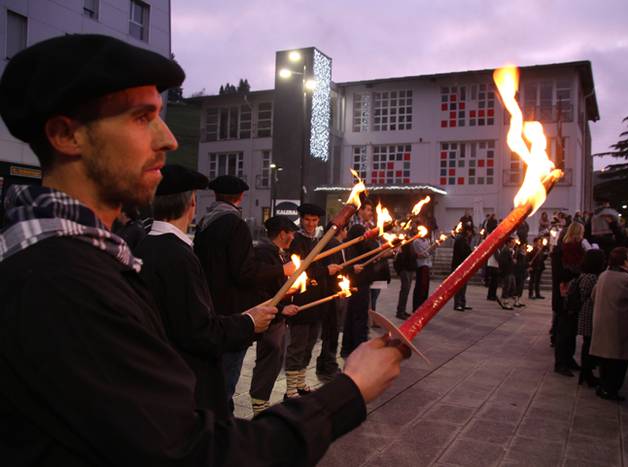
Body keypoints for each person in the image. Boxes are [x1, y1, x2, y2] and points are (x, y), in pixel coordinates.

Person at [0, 34, 403, 465]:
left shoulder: (85, 258)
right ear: (66, 135)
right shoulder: (60, 283)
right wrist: (350, 391)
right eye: (141, 118)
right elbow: (195, 453)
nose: (169, 139)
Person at [136, 164, 282, 419]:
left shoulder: (143, 245)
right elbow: (198, 331)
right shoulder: (178, 256)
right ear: (191, 203)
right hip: (186, 378)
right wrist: (249, 322)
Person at [285, 203, 339, 399]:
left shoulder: (321, 240)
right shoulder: (296, 240)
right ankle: (290, 388)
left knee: (310, 344)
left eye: (314, 220)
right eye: (307, 219)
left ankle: (300, 382)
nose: (310, 224)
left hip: (319, 299)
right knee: (298, 345)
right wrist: (325, 271)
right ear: (301, 220)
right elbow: (300, 268)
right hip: (301, 299)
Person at [249, 215, 300, 415]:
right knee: (269, 356)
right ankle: (259, 402)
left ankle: (262, 400)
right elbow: (260, 289)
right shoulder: (264, 253)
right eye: (291, 233)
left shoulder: (279, 254)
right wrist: (280, 308)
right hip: (269, 316)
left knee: (277, 357)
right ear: (282, 234)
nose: (293, 237)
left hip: (278, 316)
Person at [590, 247, 628, 401]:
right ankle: (611, 389)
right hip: (619, 324)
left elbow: (593, 295)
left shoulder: (604, 275)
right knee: (618, 361)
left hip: (602, 321)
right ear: (625, 261)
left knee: (605, 359)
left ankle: (604, 386)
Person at [554, 222, 589, 376]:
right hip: (564, 295)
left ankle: (569, 358)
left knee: (572, 330)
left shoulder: (578, 250)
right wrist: (577, 273)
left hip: (574, 294)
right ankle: (561, 362)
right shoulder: (561, 250)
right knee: (564, 331)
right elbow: (561, 274)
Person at [316, 225, 349, 381]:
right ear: (341, 230)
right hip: (331, 293)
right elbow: (334, 271)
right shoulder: (332, 245)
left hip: (334, 291)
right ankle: (328, 365)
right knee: (331, 329)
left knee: (332, 329)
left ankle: (325, 363)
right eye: (345, 229)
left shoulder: (335, 244)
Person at [341, 201, 374, 357]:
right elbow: (358, 251)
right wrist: (352, 267)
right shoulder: (357, 229)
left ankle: (349, 347)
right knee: (357, 315)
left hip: (362, 279)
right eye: (368, 210)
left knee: (355, 315)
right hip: (358, 281)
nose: (370, 213)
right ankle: (356, 348)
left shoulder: (367, 228)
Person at [576, 248, 607, 387]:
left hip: (585, 312)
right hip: (589, 313)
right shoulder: (592, 278)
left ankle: (585, 373)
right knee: (588, 345)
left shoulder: (585, 275)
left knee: (587, 344)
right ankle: (587, 374)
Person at [394, 228, 417, 319]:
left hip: (409, 269)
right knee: (404, 291)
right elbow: (400, 257)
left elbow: (411, 255)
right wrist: (401, 270)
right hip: (405, 270)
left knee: (406, 291)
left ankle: (402, 310)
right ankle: (400, 312)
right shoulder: (404, 243)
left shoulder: (410, 243)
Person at [452, 224, 473, 311]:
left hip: (463, 265)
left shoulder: (464, 239)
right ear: (467, 231)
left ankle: (462, 302)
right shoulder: (460, 239)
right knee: (459, 286)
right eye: (470, 232)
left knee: (463, 286)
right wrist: (471, 252)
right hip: (459, 265)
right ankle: (457, 304)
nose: (471, 234)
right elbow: (462, 252)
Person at [412, 224, 433, 312]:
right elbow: (423, 254)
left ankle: (424, 305)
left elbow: (430, 251)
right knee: (420, 286)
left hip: (427, 265)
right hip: (421, 266)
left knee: (426, 287)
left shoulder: (427, 240)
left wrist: (433, 247)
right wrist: (428, 253)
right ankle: (417, 307)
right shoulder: (416, 241)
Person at [496, 238, 516, 310]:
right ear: (508, 243)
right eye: (512, 242)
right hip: (507, 271)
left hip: (510, 271)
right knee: (507, 287)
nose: (514, 244)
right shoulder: (505, 250)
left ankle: (504, 299)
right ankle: (504, 301)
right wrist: (512, 262)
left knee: (511, 286)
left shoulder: (509, 250)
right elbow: (502, 261)